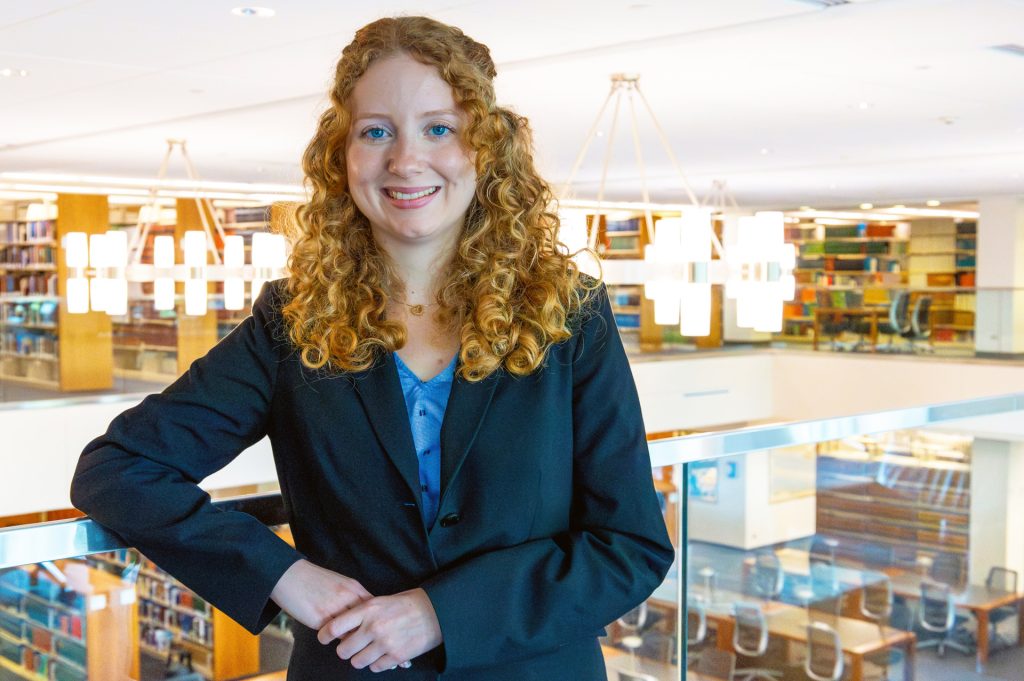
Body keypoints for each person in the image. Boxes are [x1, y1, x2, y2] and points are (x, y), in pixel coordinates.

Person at [70, 15, 674, 680]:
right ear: (342, 153)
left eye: (439, 128)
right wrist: (285, 574)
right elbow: (118, 470)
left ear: (486, 149)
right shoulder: (291, 322)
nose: (405, 160)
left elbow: (630, 547)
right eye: (376, 131)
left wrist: (441, 612)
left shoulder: (571, 316)